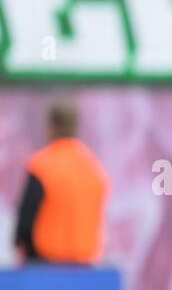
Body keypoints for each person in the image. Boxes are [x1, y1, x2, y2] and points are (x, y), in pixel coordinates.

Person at [12, 101, 110, 266]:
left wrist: (20, 246)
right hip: (84, 266)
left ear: (52, 126)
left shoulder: (42, 165)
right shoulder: (94, 169)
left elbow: (26, 221)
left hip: (44, 265)